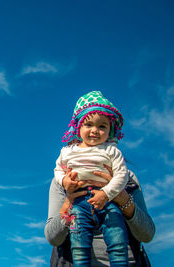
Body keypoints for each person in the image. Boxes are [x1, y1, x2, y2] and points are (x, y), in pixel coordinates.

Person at [53, 91, 130, 266]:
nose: (95, 130)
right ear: (78, 127)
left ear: (110, 130)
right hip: (79, 203)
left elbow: (121, 175)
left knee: (117, 240)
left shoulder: (111, 151)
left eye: (102, 126)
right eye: (89, 125)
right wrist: (64, 181)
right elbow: (58, 169)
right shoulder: (68, 151)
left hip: (107, 201)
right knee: (79, 243)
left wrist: (106, 193)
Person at [45, 168, 155, 266]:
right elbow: (53, 237)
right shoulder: (63, 180)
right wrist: (68, 205)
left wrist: (123, 199)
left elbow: (147, 234)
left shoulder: (127, 177)